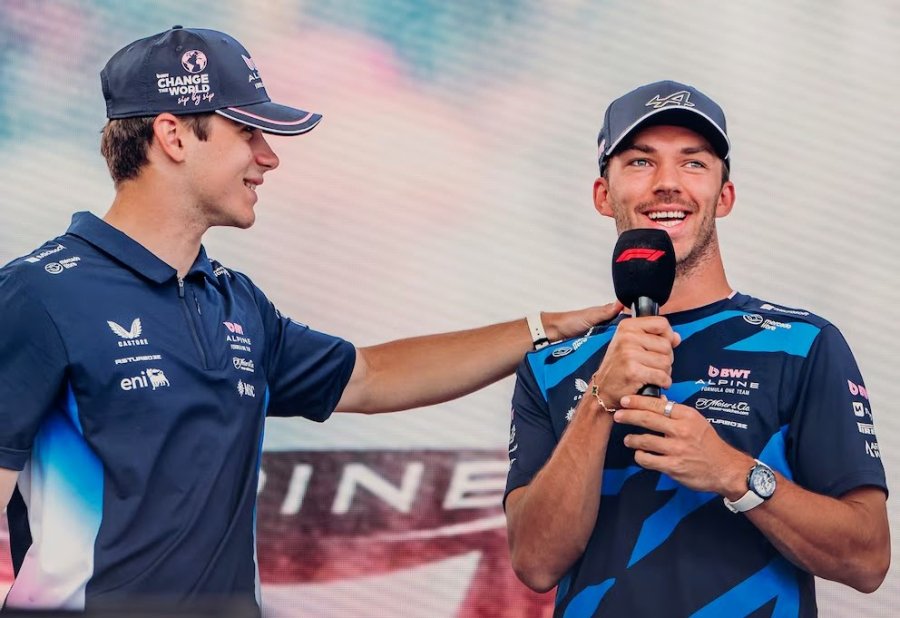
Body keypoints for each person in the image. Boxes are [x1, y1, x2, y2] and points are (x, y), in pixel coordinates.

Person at [0, 27, 621, 611]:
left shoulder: (236, 302)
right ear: (174, 136)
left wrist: (541, 328)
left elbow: (372, 375)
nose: (268, 158)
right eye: (247, 132)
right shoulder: (37, 293)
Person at [504, 80, 890, 617]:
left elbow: (868, 560)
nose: (667, 184)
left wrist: (733, 473)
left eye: (693, 163)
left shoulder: (805, 345)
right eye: (640, 162)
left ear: (724, 195)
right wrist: (599, 401)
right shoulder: (550, 364)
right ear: (602, 194)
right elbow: (536, 562)